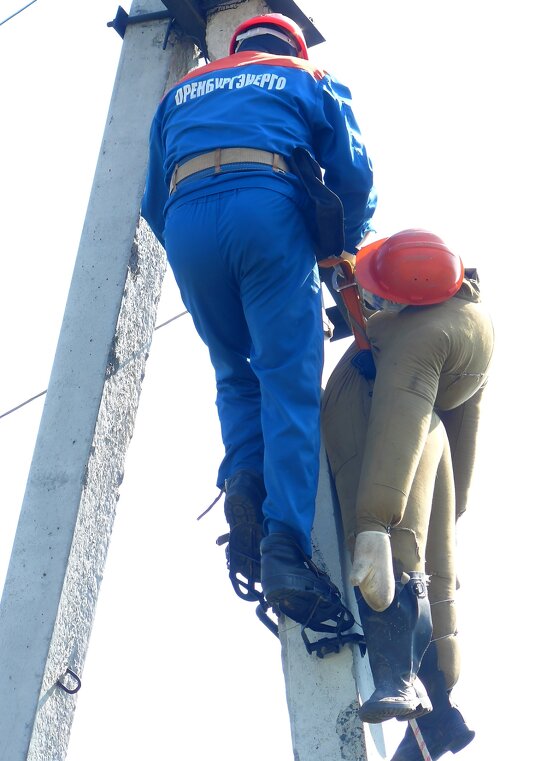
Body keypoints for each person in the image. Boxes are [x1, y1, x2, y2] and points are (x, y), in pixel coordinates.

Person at [141, 13, 376, 629]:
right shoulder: (306, 74)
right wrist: (341, 253)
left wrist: (203, 256)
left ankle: (244, 480)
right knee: (289, 383)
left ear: (235, 49)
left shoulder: (179, 93)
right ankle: (286, 551)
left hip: (187, 222)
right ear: (291, 46)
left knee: (234, 371)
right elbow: (354, 178)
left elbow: (150, 201)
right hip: (266, 209)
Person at [321, 229, 494, 761]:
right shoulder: (469, 319)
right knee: (435, 576)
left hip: (387, 457)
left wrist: (373, 520)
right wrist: (457, 502)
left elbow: (399, 422)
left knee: (391, 561)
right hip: (434, 450)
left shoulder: (416, 342)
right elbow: (465, 426)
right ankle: (440, 713)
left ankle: (400, 679)